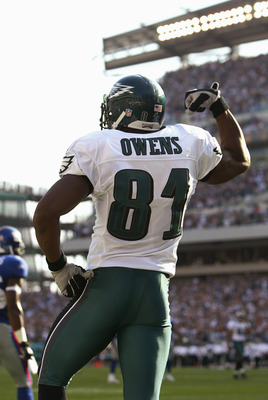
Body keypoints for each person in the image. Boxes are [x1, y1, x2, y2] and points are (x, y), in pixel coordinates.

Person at [33, 74, 250, 400]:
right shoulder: (188, 140)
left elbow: (46, 214)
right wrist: (219, 106)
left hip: (109, 288)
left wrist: (59, 267)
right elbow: (240, 160)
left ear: (122, 110)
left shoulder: (98, 146)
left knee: (51, 378)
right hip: (155, 296)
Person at [0, 226, 36, 400]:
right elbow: (13, 306)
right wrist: (23, 341)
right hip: (3, 328)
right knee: (23, 382)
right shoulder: (13, 264)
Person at [227, 309, 251, 379]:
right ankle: (242, 373)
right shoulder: (233, 323)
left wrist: (247, 326)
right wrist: (228, 342)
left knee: (239, 358)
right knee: (240, 357)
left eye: (242, 316)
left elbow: (249, 332)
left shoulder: (245, 323)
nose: (240, 318)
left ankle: (236, 373)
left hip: (242, 341)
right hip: (236, 341)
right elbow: (229, 334)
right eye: (239, 316)